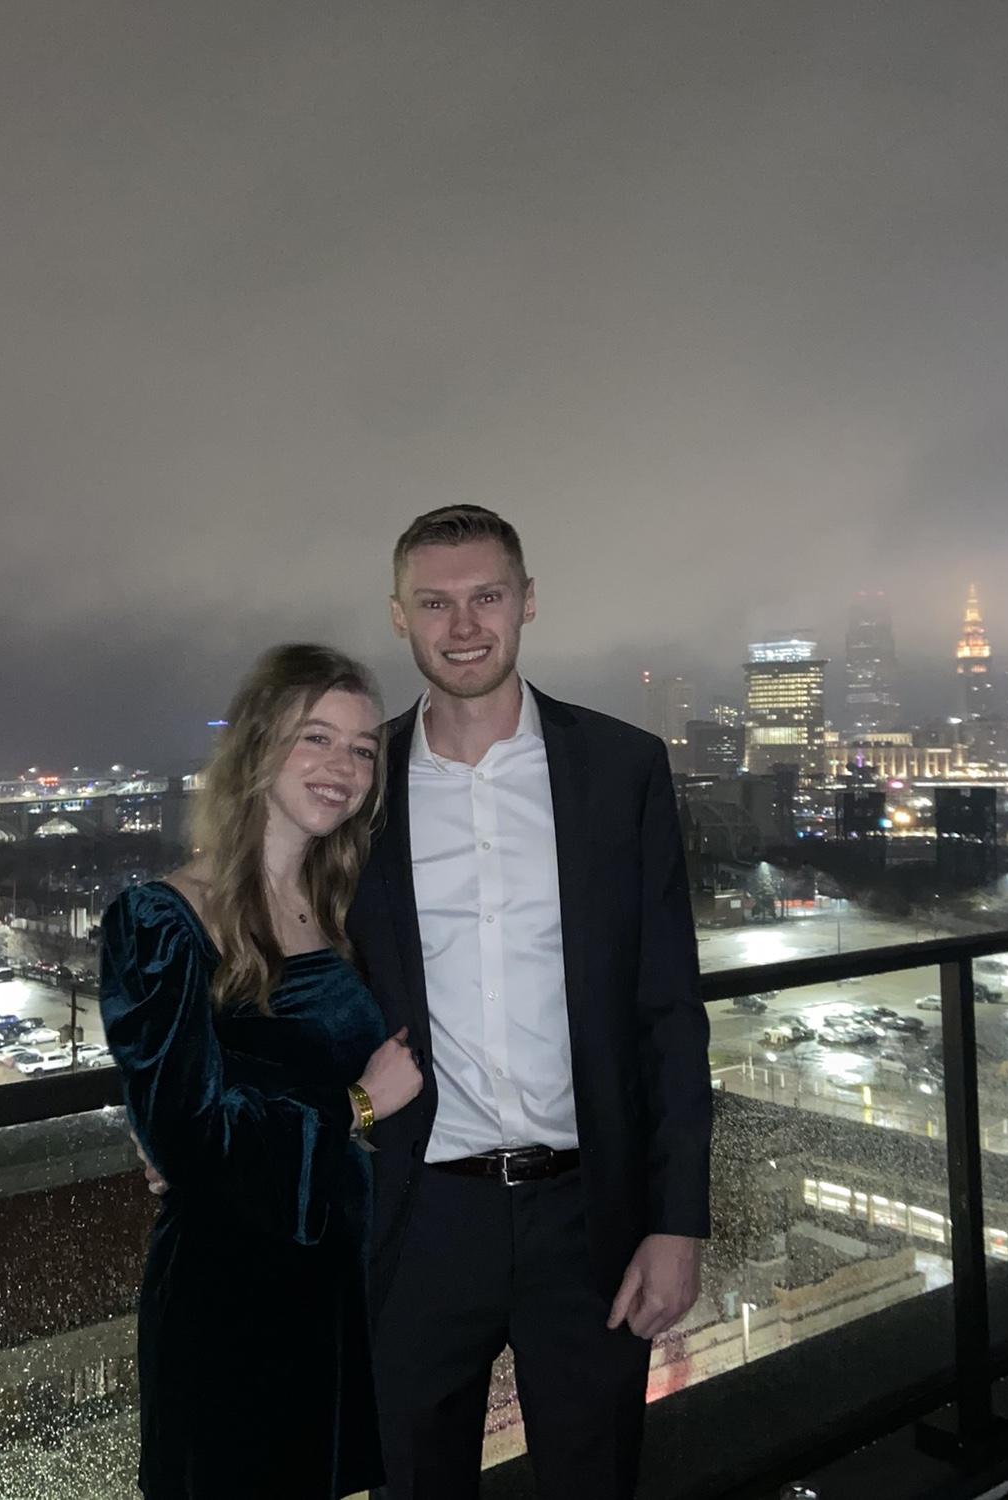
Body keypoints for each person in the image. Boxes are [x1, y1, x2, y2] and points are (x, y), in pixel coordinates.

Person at [348, 506, 713, 1498]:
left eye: (487, 597)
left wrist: (677, 1221)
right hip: (418, 1218)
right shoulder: (358, 786)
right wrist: (198, 1113)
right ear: (398, 616)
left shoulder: (621, 769)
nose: (464, 625)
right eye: (435, 603)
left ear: (528, 602)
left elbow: (669, 1008)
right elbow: (275, 954)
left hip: (590, 1218)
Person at [100, 644, 423, 1499]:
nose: (342, 766)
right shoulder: (163, 919)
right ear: (257, 746)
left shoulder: (341, 908)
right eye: (316, 737)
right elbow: (190, 1137)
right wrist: (358, 1105)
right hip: (231, 1289)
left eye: (361, 749)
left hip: (332, 1278)